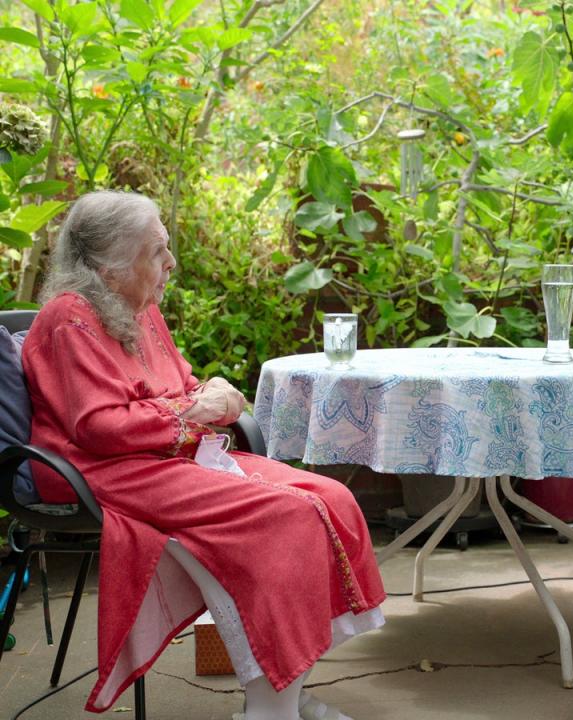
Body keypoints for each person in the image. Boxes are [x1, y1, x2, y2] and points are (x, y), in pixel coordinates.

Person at [21, 190, 386, 719]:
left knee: (330, 496)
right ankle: (270, 707)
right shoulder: (69, 318)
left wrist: (206, 392)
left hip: (163, 457)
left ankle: (287, 690)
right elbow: (98, 427)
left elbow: (180, 383)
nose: (170, 263)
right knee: (285, 517)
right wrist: (196, 409)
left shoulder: (138, 308)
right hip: (99, 470)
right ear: (108, 265)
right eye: (156, 251)